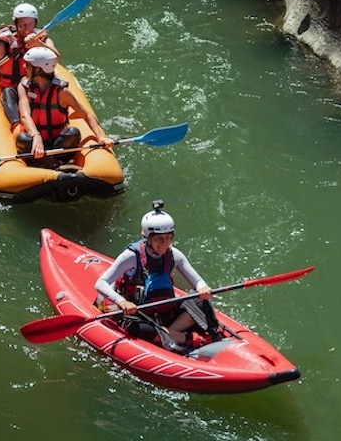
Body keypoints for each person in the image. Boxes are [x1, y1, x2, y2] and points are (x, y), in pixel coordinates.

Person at [94, 200, 218, 353]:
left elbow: (197, 281)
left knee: (201, 304)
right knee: (136, 328)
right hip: (136, 313)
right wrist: (122, 302)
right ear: (147, 238)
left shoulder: (174, 255)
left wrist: (203, 288)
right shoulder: (131, 256)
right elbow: (101, 283)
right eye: (159, 238)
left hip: (164, 311)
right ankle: (186, 338)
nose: (164, 243)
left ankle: (167, 333)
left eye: (168, 237)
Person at [16, 46, 114, 168]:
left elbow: (86, 115)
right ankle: (54, 165)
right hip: (35, 142)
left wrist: (101, 137)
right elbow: (25, 116)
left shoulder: (62, 92)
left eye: (28, 65)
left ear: (37, 69)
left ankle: (50, 163)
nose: (24, 67)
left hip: (58, 143)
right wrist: (37, 137)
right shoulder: (24, 87)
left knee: (73, 133)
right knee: (22, 139)